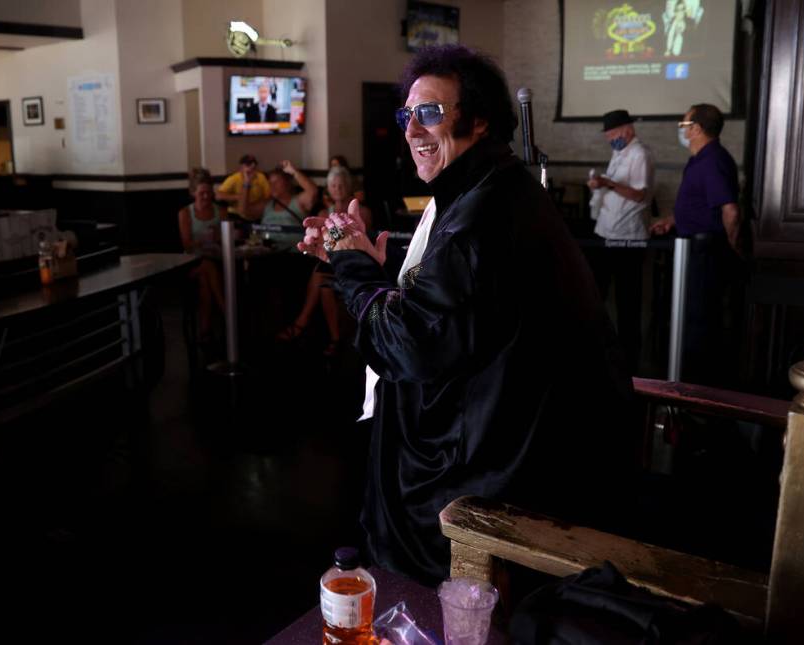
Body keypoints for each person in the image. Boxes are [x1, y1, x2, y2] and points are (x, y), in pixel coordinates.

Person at [299, 45, 634, 583]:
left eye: (430, 112)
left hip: (487, 470)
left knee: (425, 599)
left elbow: (406, 344)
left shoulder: (482, 212)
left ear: (479, 121)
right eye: (407, 115)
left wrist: (349, 260)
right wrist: (380, 264)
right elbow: (458, 307)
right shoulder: (492, 187)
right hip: (513, 442)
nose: (412, 130)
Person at [650, 103, 742, 386]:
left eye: (684, 125)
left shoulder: (713, 160)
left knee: (700, 319)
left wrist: (731, 248)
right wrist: (674, 219)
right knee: (688, 313)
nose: (682, 130)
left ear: (697, 129)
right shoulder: (700, 159)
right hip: (691, 246)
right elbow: (701, 205)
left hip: (706, 251)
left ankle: (697, 388)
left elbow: (730, 211)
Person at [586, 109, 654, 373]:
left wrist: (609, 183)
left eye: (613, 134)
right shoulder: (620, 152)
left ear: (627, 129)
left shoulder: (640, 155)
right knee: (597, 293)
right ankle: (600, 349)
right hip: (607, 233)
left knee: (628, 301)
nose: (610, 140)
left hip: (628, 238)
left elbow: (638, 194)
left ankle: (630, 361)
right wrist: (600, 184)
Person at [279, 166, 371, 357]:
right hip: (331, 261)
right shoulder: (323, 212)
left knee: (320, 275)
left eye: (341, 185)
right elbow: (323, 242)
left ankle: (302, 324)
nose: (337, 189)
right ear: (328, 188)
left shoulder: (362, 211)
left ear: (349, 186)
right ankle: (334, 338)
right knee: (323, 282)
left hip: (357, 261)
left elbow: (358, 240)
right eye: (333, 185)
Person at [178, 168, 226, 341]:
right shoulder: (185, 213)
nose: (206, 196)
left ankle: (205, 330)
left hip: (216, 259)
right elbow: (187, 245)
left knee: (206, 280)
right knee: (207, 266)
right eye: (202, 193)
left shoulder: (220, 211)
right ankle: (226, 311)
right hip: (191, 263)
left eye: (209, 193)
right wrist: (206, 239)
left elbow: (226, 239)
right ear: (193, 193)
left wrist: (219, 237)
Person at [256, 160, 319, 250]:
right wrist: (247, 182)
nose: (272, 186)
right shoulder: (267, 204)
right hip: (266, 253)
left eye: (276, 182)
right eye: (270, 183)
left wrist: (294, 172)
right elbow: (244, 211)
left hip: (292, 255)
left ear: (287, 182)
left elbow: (313, 192)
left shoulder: (298, 201)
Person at [216, 154, 270, 221]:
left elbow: (268, 195)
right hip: (237, 214)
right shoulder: (234, 178)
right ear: (241, 167)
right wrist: (237, 197)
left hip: (255, 210)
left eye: (254, 164)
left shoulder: (260, 177)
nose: (252, 166)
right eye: (248, 164)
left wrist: (258, 205)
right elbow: (218, 195)